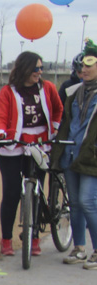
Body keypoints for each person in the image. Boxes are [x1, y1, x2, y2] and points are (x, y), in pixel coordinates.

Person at [0, 51, 63, 257]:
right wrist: (0, 132)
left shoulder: (48, 88)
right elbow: (1, 116)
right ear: (24, 69)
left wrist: (55, 127)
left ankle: (34, 236)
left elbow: (58, 109)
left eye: (41, 69)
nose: (39, 73)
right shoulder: (8, 91)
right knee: (12, 193)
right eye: (35, 69)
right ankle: (6, 239)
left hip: (40, 145)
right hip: (14, 146)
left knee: (37, 191)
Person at [50, 42, 97, 269]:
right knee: (75, 204)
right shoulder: (73, 92)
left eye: (89, 66)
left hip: (92, 157)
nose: (84, 71)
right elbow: (67, 122)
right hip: (70, 153)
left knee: (88, 201)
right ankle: (79, 248)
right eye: (81, 68)